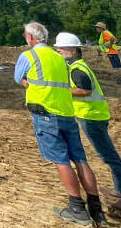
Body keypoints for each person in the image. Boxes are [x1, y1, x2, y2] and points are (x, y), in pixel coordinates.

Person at [14, 21, 106, 226]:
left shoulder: (28, 56)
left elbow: (19, 78)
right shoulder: (60, 58)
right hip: (67, 113)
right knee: (80, 159)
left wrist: (29, 84)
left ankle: (76, 208)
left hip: (46, 114)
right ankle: (96, 209)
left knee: (61, 161)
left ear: (30, 37)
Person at [53, 32, 121, 216]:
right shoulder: (77, 65)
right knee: (109, 156)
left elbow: (84, 90)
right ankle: (120, 190)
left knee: (111, 158)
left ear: (73, 50)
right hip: (95, 116)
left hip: (92, 117)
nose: (58, 51)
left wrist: (63, 91)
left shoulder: (77, 69)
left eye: (60, 48)